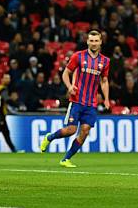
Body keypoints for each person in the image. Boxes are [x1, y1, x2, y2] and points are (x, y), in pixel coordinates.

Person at [40, 30, 110, 167]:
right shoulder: (78, 56)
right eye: (91, 40)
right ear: (87, 41)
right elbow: (66, 73)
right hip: (77, 100)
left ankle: (65, 159)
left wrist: (106, 98)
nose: (94, 43)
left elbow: (104, 81)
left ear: (101, 42)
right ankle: (49, 137)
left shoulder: (105, 61)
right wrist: (70, 86)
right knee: (71, 130)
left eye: (96, 41)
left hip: (91, 103)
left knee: (85, 131)